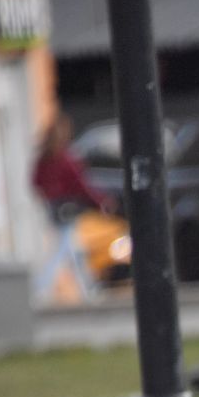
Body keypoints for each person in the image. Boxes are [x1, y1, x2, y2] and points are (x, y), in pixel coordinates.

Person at [31, 114, 115, 304]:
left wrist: (49, 195)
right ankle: (40, 287)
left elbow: (35, 181)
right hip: (68, 208)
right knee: (62, 249)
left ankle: (89, 288)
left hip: (53, 208)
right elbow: (81, 186)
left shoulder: (44, 158)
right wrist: (100, 202)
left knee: (75, 249)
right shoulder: (67, 159)